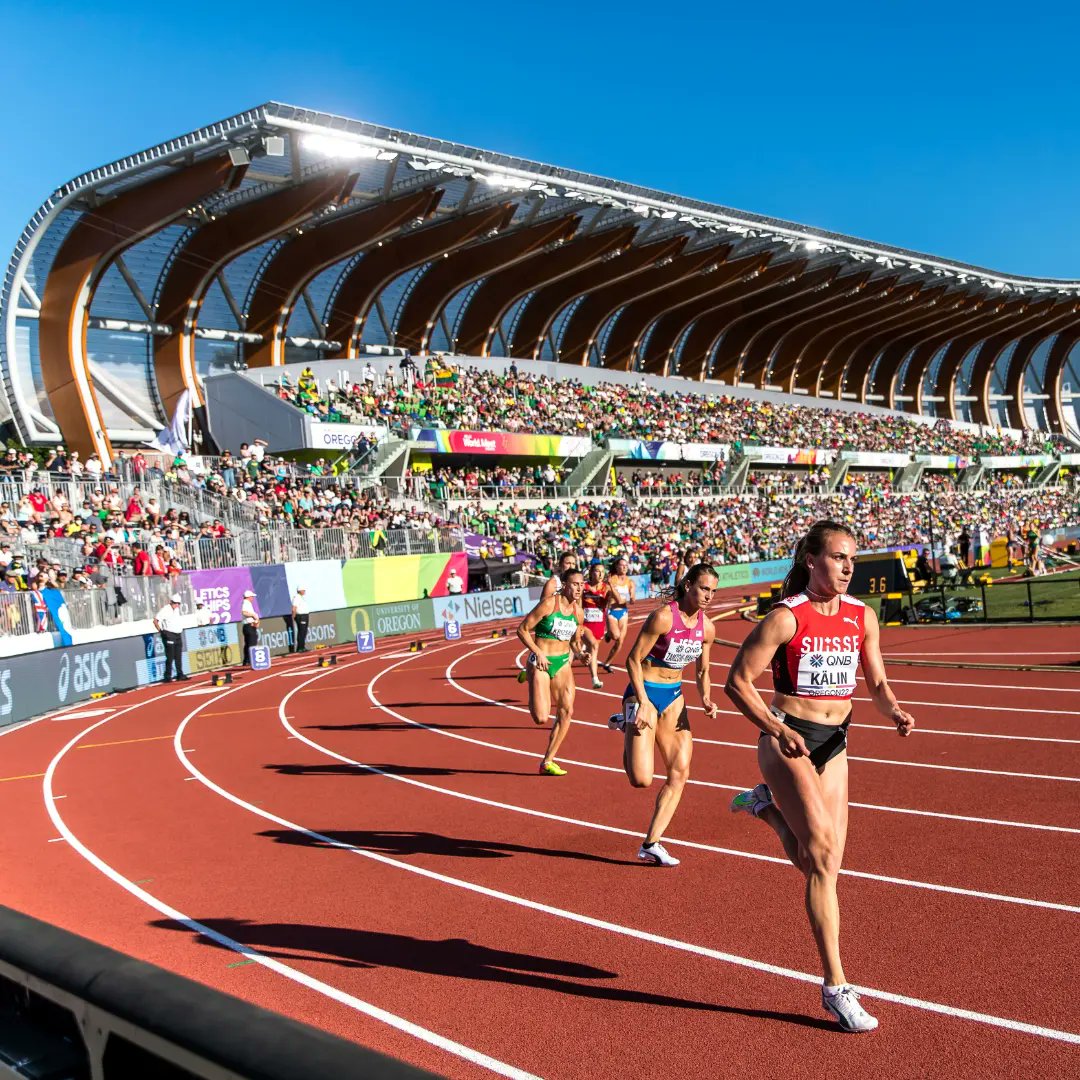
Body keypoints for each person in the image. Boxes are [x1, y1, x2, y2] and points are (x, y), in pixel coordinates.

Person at [724, 520, 915, 1033]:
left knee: (822, 865)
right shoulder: (786, 618)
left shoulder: (861, 616)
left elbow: (874, 680)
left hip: (836, 741)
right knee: (825, 856)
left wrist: (893, 709)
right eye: (837, 556)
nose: (849, 566)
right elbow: (737, 683)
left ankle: (764, 807)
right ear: (812, 560)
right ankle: (836, 987)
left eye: (852, 557)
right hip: (788, 736)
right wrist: (773, 728)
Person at [608, 564, 719, 867]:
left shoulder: (707, 628)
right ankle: (626, 725)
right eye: (703, 588)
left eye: (713, 590)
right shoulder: (663, 617)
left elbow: (704, 670)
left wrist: (706, 697)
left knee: (680, 772)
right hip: (643, 691)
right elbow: (632, 659)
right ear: (688, 586)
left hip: (674, 697)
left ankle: (651, 843)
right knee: (642, 779)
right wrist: (642, 700)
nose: (708, 596)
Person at [516, 569, 586, 776]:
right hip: (541, 662)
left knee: (567, 711)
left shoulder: (578, 613)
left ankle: (547, 761)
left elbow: (575, 642)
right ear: (564, 584)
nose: (579, 589)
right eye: (575, 584)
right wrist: (537, 652)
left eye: (582, 585)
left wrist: (581, 655)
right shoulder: (549, 604)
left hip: (563, 662)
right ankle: (528, 673)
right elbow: (522, 629)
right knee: (540, 718)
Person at [600, 556, 635, 673]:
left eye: (626, 565)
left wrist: (631, 598)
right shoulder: (611, 579)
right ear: (617, 567)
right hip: (612, 611)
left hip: (623, 612)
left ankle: (607, 663)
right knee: (616, 636)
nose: (624, 567)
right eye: (622, 565)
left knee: (620, 641)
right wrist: (611, 589)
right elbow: (609, 596)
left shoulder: (630, 582)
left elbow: (632, 599)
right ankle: (609, 634)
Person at [579, 562, 611, 690]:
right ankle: (595, 679)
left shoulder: (606, 588)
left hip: (598, 626)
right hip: (584, 624)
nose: (600, 574)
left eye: (602, 571)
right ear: (591, 572)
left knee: (591, 653)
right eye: (597, 571)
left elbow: (616, 600)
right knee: (593, 645)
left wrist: (611, 587)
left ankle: (578, 653)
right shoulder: (583, 586)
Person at [153, 593, 189, 682]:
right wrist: (161, 632)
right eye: (175, 603)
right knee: (170, 656)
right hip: (169, 634)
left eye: (178, 603)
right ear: (171, 602)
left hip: (177, 634)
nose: (177, 605)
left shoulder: (177, 610)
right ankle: (167, 676)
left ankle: (179, 674)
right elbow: (155, 621)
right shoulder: (165, 610)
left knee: (178, 656)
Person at [241, 589, 260, 665]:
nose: (253, 598)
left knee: (248, 644)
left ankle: (246, 660)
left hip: (249, 625)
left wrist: (256, 620)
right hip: (249, 626)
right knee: (252, 643)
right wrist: (253, 615)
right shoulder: (246, 603)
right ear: (248, 597)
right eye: (252, 596)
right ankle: (250, 660)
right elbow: (244, 612)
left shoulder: (247, 603)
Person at [290, 586, 309, 652]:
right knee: (302, 631)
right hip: (301, 616)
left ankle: (302, 646)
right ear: (300, 590)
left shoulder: (301, 597)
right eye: (303, 590)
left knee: (304, 631)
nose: (304, 591)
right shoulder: (297, 597)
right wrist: (294, 616)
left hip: (305, 615)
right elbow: (294, 608)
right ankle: (300, 647)